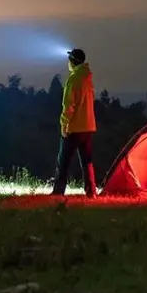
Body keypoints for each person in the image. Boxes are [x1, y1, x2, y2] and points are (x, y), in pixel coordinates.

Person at [51, 48, 98, 197]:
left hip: (74, 128)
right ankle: (91, 191)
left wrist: (64, 124)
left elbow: (68, 106)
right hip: (88, 126)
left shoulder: (73, 79)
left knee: (63, 160)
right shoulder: (88, 79)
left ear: (72, 61)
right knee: (87, 161)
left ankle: (59, 191)